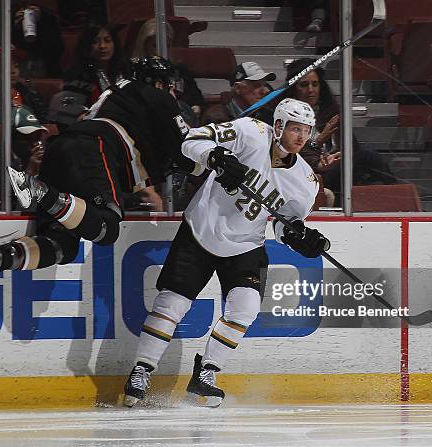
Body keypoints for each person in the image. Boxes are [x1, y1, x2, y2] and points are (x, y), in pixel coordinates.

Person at [122, 98, 329, 408]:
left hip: (246, 243)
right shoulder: (251, 132)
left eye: (306, 131)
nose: (301, 137)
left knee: (245, 308)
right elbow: (192, 139)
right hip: (200, 230)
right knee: (172, 303)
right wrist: (216, 156)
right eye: (295, 129)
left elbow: (286, 224)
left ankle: (206, 374)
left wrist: (300, 238)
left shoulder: (305, 181)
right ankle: (141, 370)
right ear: (279, 126)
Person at [0, 56, 194, 305]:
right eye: (169, 86)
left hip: (64, 151)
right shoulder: (153, 95)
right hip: (94, 149)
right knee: (106, 227)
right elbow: (188, 148)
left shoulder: (120, 98)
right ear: (157, 83)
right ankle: (39, 191)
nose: (172, 93)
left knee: (62, 244)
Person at [279, 58, 395, 204]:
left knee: (375, 182)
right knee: (368, 156)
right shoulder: (285, 116)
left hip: (336, 169)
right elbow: (289, 157)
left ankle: (400, 197)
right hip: (309, 175)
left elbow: (353, 149)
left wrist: (339, 156)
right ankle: (398, 189)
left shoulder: (330, 112)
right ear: (293, 88)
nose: (310, 90)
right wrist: (320, 140)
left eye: (315, 84)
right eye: (304, 85)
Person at [62, 22, 130, 108]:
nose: (102, 46)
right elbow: (70, 107)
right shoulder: (78, 75)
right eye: (95, 42)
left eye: (107, 40)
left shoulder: (125, 68)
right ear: (86, 45)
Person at [201, 61, 276, 125]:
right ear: (238, 88)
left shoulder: (267, 113)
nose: (265, 91)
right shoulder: (216, 118)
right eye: (256, 86)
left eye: (265, 85)